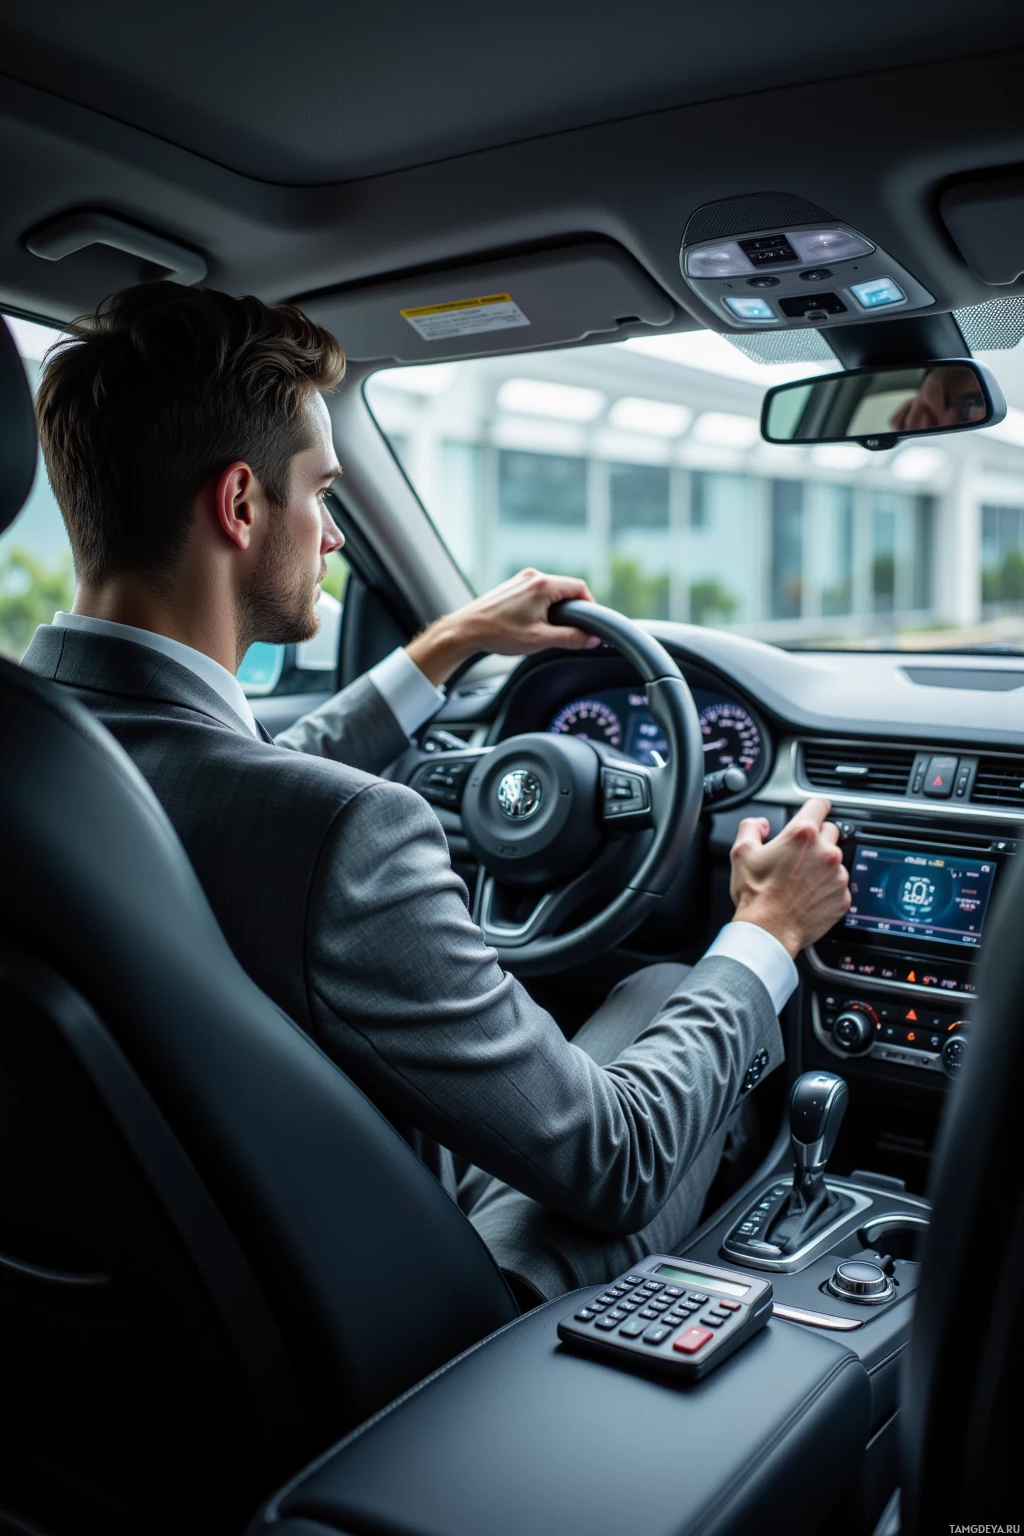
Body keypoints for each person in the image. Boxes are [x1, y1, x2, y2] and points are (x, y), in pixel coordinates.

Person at [22, 284, 850, 1301]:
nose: (332, 535)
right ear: (239, 505)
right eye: (323, 493)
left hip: (157, 1302)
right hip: (409, 1339)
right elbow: (617, 1157)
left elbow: (222, 782)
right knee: (671, 995)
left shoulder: (49, 769)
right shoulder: (344, 835)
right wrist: (766, 930)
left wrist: (447, 645)